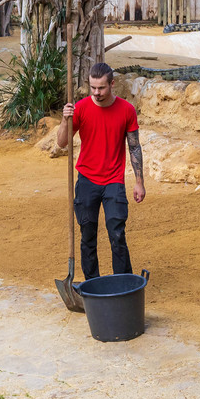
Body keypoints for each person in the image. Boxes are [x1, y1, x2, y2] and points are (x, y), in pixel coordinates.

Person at [58, 61, 145, 279]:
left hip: (114, 181)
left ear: (112, 84)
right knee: (87, 234)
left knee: (117, 233)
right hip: (87, 179)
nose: (96, 93)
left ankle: (124, 283)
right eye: (93, 87)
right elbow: (62, 143)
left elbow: (134, 146)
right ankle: (93, 284)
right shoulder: (80, 108)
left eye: (101, 88)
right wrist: (64, 119)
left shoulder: (127, 110)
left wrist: (139, 182)